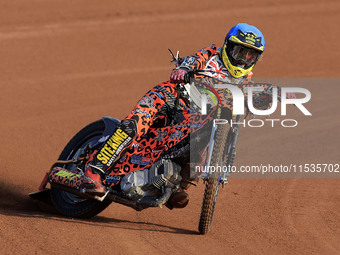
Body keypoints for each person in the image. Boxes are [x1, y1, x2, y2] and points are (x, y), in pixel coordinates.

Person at [83, 23, 266, 208]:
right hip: (172, 97)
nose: (243, 59)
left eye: (250, 55)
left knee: (205, 140)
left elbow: (254, 101)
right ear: (227, 46)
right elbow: (193, 60)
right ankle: (94, 170)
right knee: (135, 124)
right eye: (239, 52)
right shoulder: (211, 54)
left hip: (193, 118)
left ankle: (175, 184)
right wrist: (184, 70)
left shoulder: (246, 83)